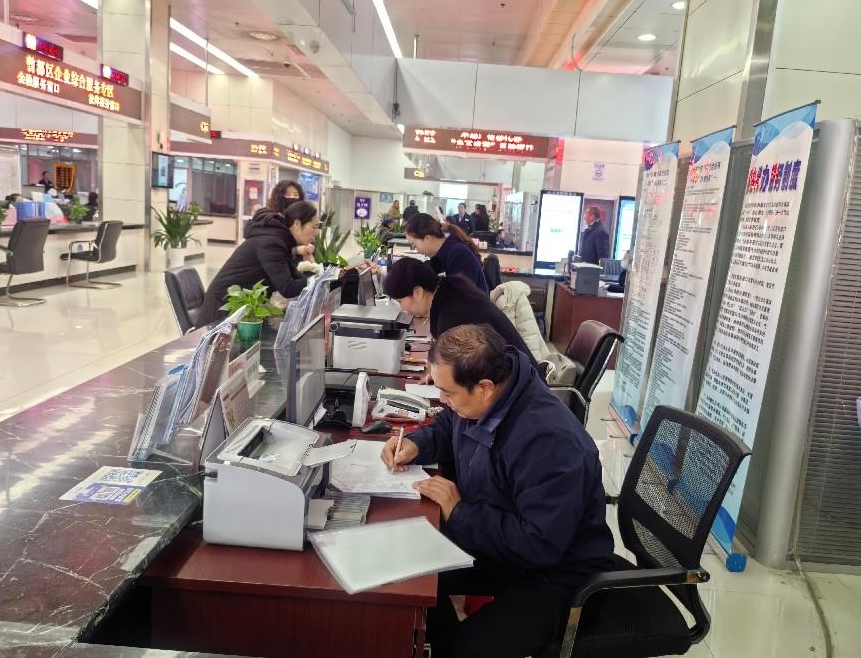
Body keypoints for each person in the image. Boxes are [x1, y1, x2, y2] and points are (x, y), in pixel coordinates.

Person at [381, 325, 614, 658]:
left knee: (458, 650)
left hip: (555, 574)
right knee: (408, 577)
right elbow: (450, 425)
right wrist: (417, 445)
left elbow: (539, 544)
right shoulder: (491, 397)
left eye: (448, 393)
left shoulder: (548, 442)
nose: (442, 400)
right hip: (504, 546)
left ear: (484, 388)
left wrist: (459, 512)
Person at [383, 257, 539, 369]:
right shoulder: (451, 292)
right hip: (517, 381)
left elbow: (464, 375)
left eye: (401, 301)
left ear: (418, 292)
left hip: (516, 394)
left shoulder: (452, 315)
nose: (403, 309)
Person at [198, 201, 320, 325]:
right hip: (222, 309)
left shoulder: (280, 239)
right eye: (314, 227)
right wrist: (317, 279)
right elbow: (287, 288)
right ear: (297, 224)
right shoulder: (272, 242)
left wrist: (318, 274)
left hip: (239, 309)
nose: (316, 233)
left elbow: (293, 276)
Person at [404, 213, 488, 293]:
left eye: (414, 245)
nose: (417, 250)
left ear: (427, 239)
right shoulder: (441, 256)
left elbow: (461, 297)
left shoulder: (458, 255)